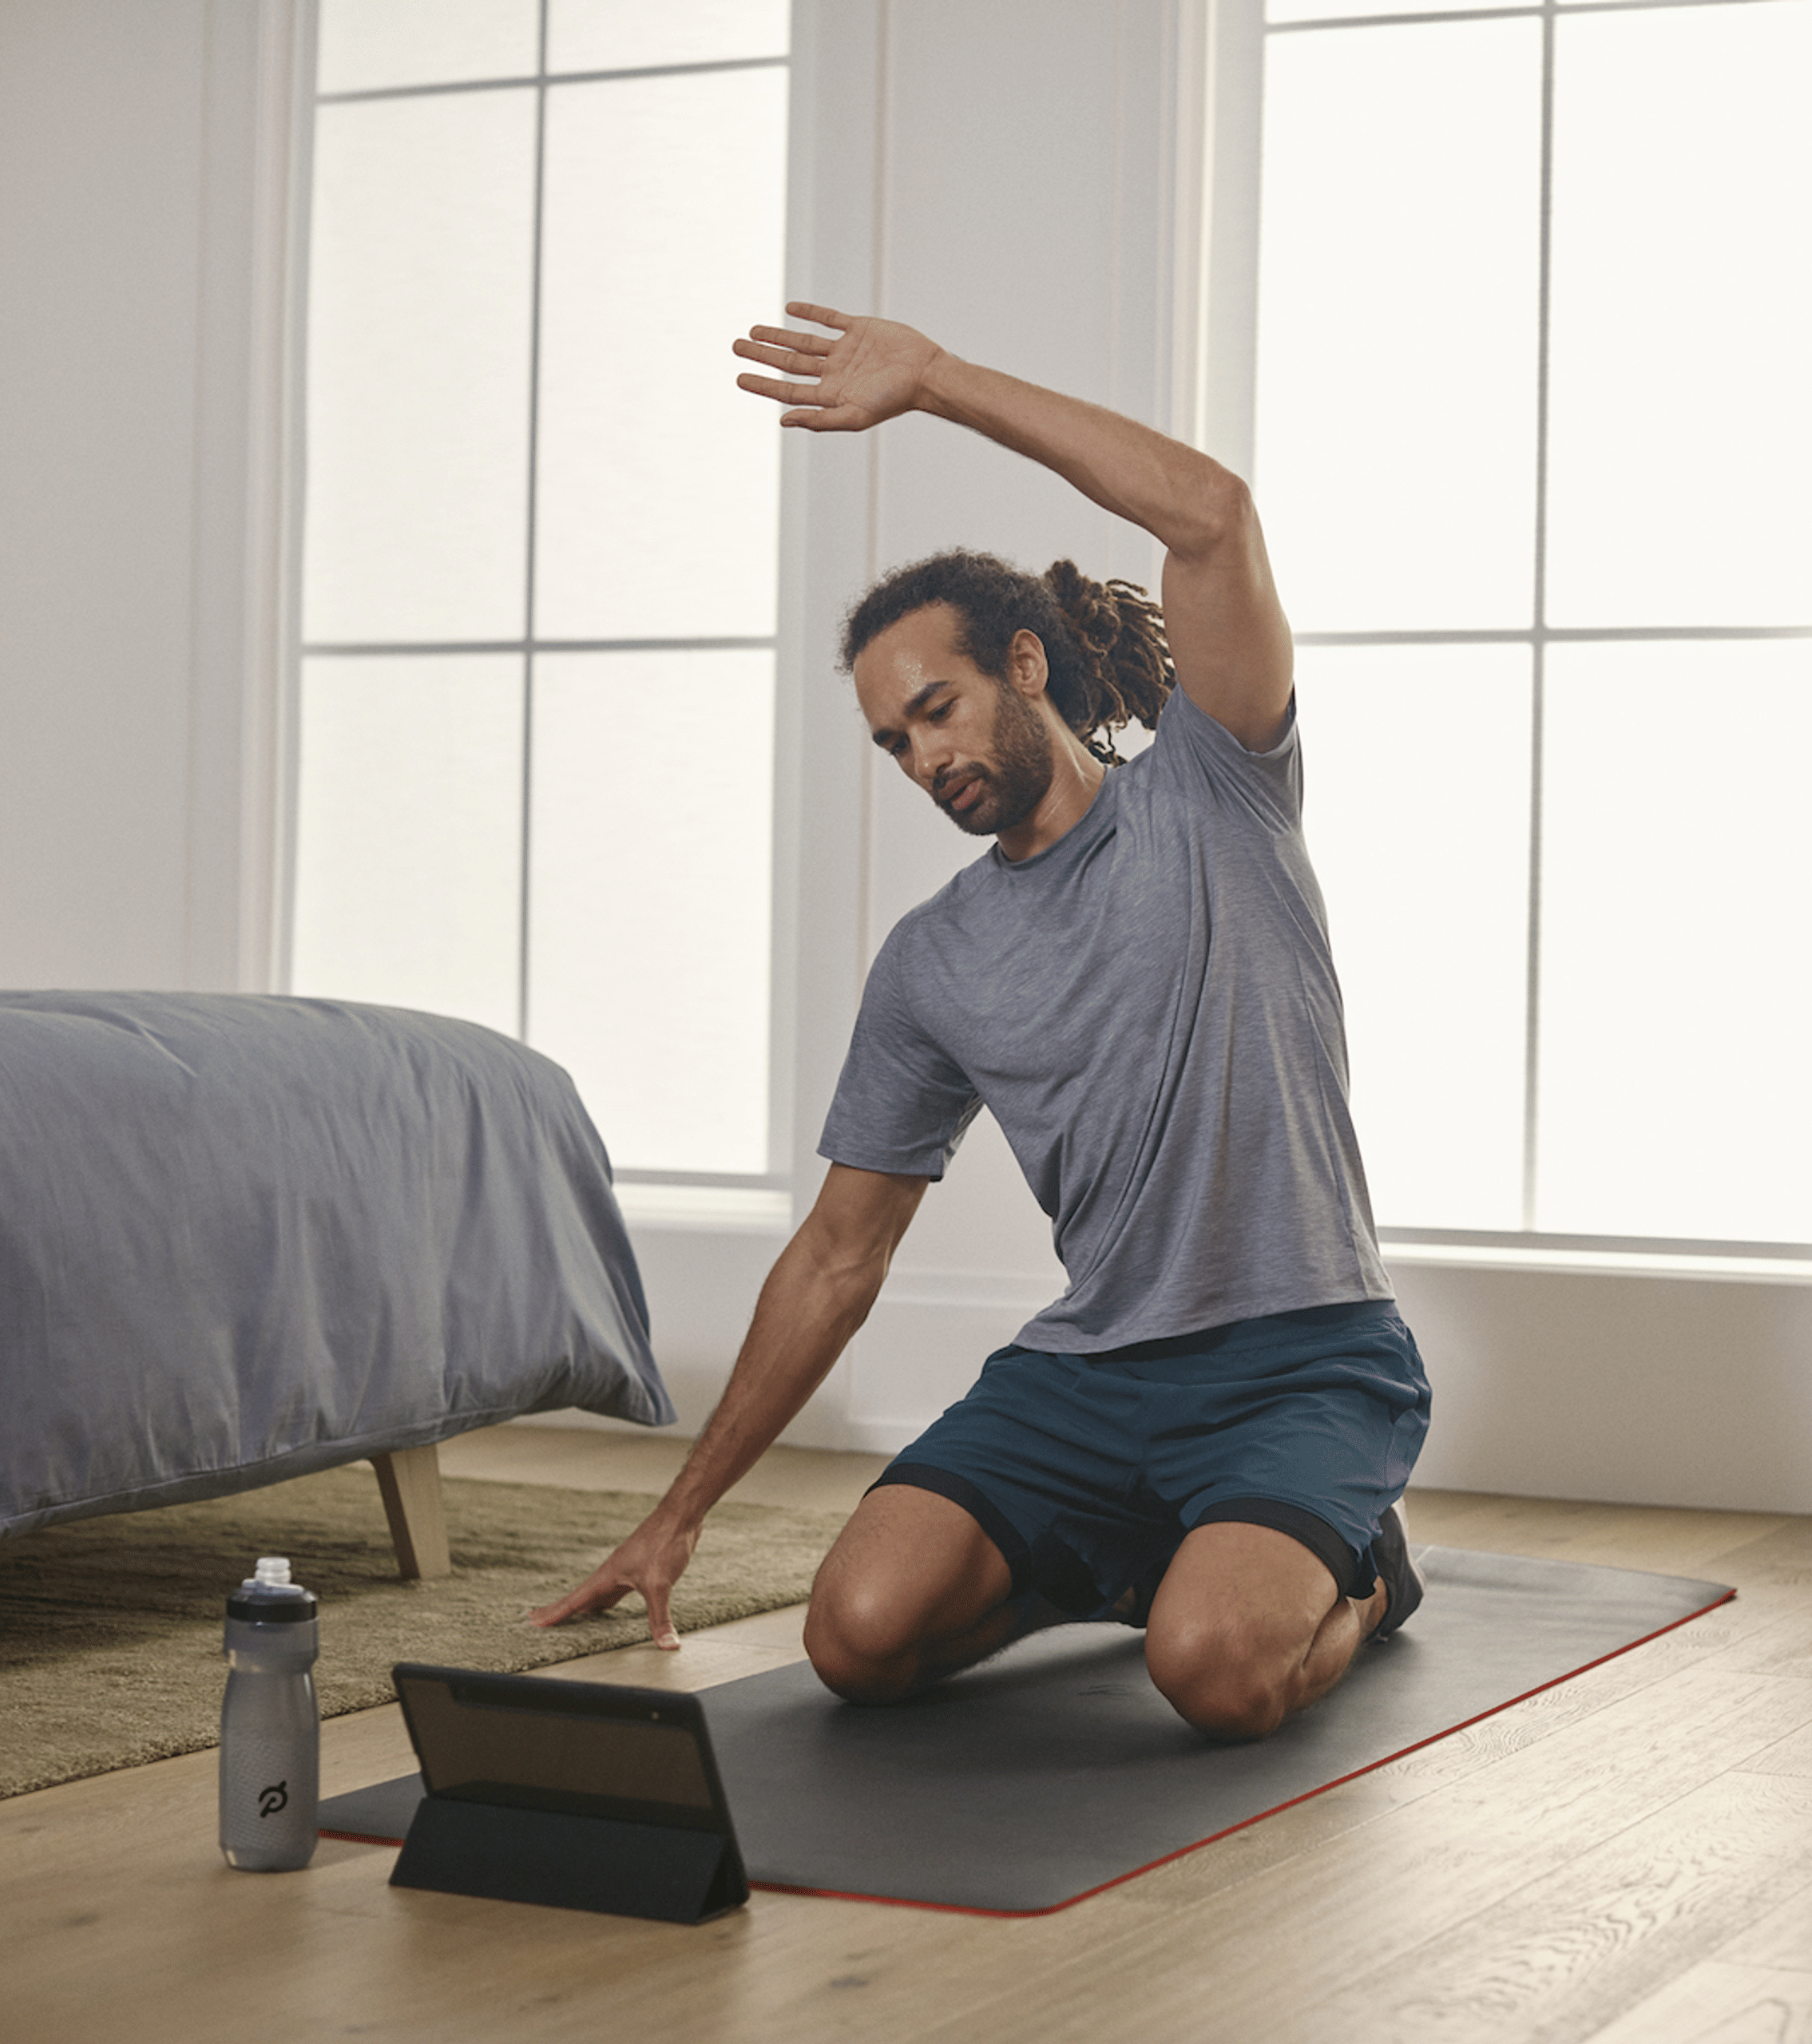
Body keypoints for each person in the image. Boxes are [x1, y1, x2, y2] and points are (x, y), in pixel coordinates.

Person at [530, 302, 1427, 1742]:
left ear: (1024, 665)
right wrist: (679, 1517)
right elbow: (839, 1252)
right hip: (1091, 1371)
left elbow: (1213, 517)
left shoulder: (1216, 794)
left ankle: (1366, 1574)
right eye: (895, 742)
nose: (924, 756)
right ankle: (1136, 1554)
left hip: (1301, 1355)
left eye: (938, 709)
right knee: (858, 1640)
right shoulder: (932, 962)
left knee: (1216, 1675)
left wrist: (938, 383)